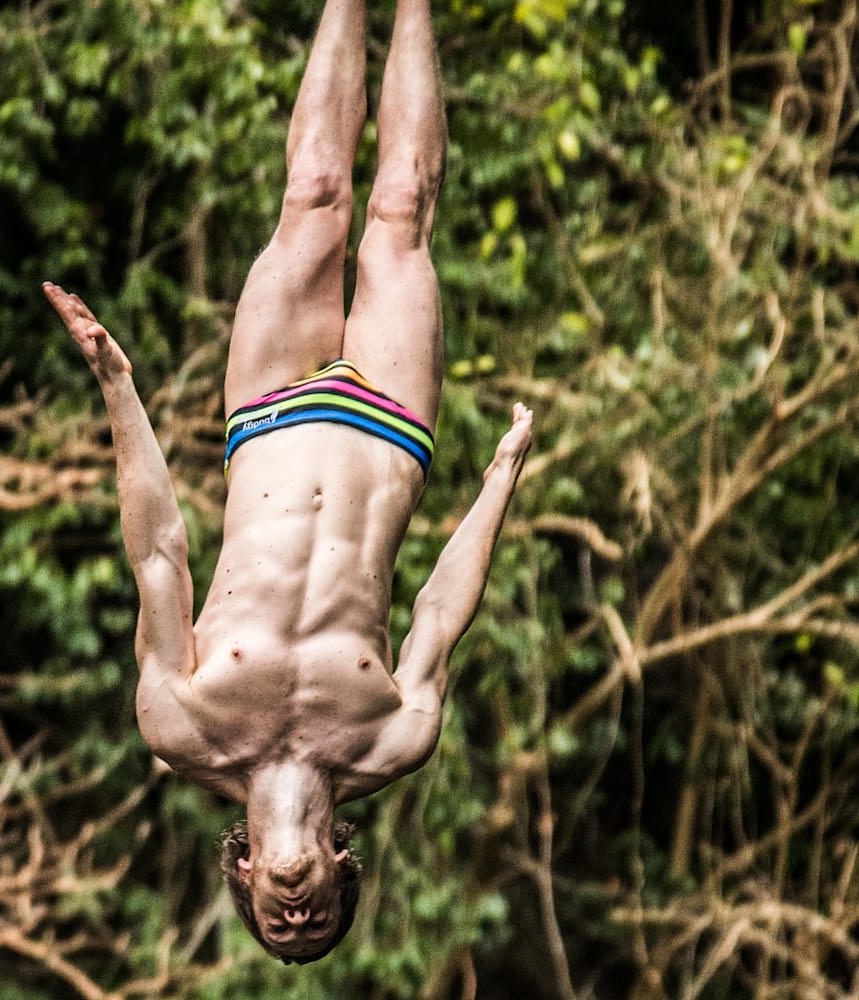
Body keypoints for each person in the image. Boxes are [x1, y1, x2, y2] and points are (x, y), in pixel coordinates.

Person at [42, 0, 534, 964]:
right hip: (389, 420)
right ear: (347, 875)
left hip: (267, 409)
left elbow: (159, 552)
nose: (296, 917)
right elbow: (439, 610)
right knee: (400, 210)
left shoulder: (179, 726)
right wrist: (500, 479)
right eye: (317, 923)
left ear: (246, 882)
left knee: (313, 190)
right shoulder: (390, 742)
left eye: (280, 924)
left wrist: (117, 384)